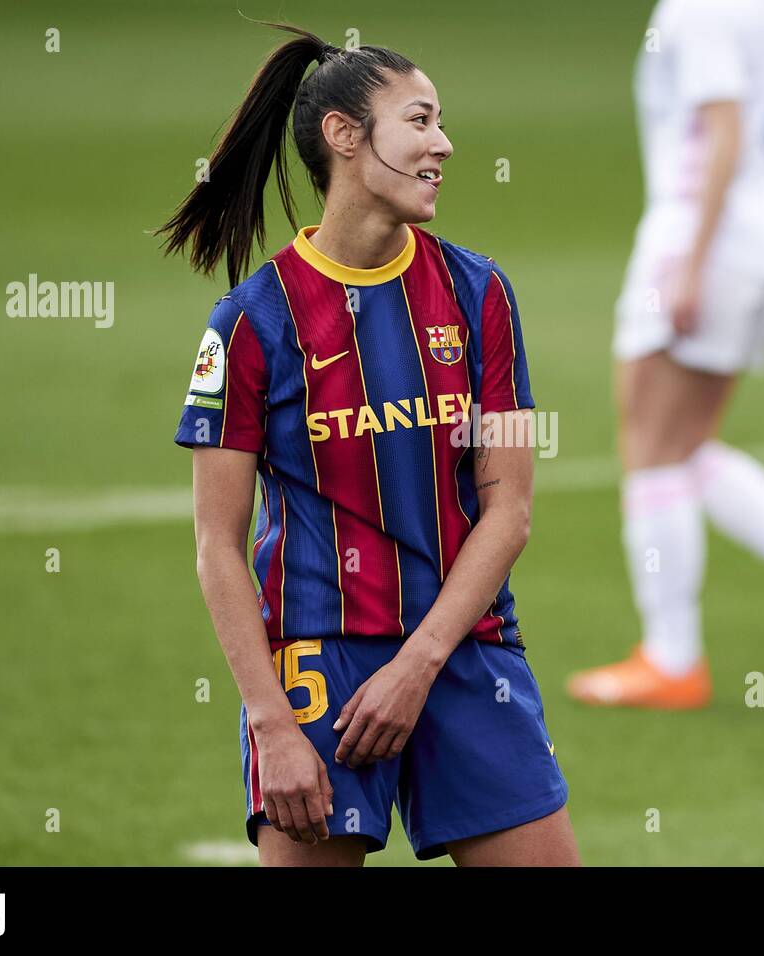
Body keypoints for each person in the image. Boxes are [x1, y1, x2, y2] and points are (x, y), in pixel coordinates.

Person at [159, 24, 578, 866]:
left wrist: (420, 663)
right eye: (419, 121)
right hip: (319, 671)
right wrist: (271, 721)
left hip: (465, 652)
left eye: (441, 123)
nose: (444, 145)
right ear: (344, 137)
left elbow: (511, 509)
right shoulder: (249, 323)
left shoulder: (480, 293)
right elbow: (217, 544)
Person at [567, 0, 764, 711]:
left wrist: (691, 261)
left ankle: (672, 659)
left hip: (700, 240)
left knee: (649, 448)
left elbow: (724, 125)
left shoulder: (696, 9)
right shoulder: (763, 6)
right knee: (685, 445)